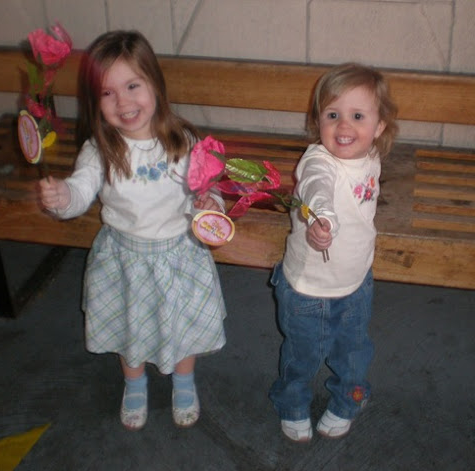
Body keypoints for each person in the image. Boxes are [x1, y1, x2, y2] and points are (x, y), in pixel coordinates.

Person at [37, 30, 227, 430]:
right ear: (95, 101)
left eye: (132, 86)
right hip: (124, 259)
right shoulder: (99, 150)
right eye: (107, 93)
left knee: (182, 325)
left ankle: (184, 380)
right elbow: (80, 191)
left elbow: (205, 190)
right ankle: (134, 383)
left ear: (154, 84)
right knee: (129, 326)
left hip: (179, 255)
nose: (123, 102)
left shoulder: (183, 140)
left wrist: (210, 205)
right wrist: (62, 197)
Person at [269, 63, 398, 442]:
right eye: (332, 115)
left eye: (357, 116)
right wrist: (323, 217)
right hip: (307, 288)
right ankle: (292, 403)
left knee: (353, 354)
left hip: (356, 282)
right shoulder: (317, 161)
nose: (344, 126)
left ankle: (349, 400)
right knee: (301, 355)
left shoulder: (369, 156)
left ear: (378, 127)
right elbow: (316, 186)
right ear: (318, 121)